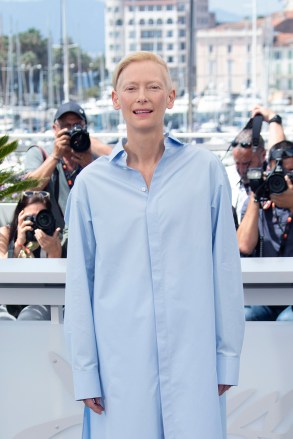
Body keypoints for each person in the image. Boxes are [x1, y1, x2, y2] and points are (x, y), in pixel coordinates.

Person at [64, 51, 245, 439]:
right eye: (131, 88)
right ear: (116, 99)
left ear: (171, 97)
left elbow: (225, 271)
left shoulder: (206, 172)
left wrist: (226, 359)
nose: (142, 97)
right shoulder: (91, 187)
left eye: (153, 87)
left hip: (193, 362)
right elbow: (80, 282)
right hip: (119, 367)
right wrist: (85, 372)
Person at [24, 101, 112, 229]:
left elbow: (111, 192)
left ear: (85, 128)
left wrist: (90, 165)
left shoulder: (93, 155)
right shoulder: (40, 154)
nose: (71, 131)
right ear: (55, 129)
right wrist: (55, 156)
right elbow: (29, 189)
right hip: (53, 237)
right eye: (66, 126)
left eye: (77, 126)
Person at [237, 139, 293, 321]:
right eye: (279, 171)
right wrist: (257, 194)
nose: (284, 178)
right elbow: (244, 246)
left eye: (290, 172)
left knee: (286, 321)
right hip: (266, 294)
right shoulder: (258, 200)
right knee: (245, 316)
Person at [0, 190, 65, 320]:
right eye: (30, 218)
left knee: (28, 316)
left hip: (42, 301)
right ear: (19, 217)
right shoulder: (6, 234)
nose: (35, 223)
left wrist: (53, 253)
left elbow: (54, 284)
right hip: (8, 301)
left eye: (41, 217)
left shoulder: (54, 240)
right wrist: (18, 244)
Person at [226, 105, 285, 225]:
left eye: (247, 164)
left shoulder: (272, 177)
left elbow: (279, 153)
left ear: (263, 155)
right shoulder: (226, 176)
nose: (242, 170)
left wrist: (273, 119)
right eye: (238, 163)